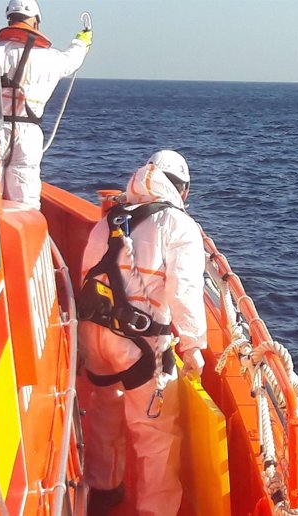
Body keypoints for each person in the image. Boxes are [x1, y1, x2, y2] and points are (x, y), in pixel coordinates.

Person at [77, 150, 207, 516]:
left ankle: (104, 490)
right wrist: (194, 344)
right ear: (182, 191)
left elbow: (87, 274)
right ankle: (154, 511)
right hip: (140, 345)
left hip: (96, 336)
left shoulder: (110, 220)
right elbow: (183, 290)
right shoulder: (179, 225)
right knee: (155, 437)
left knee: (104, 413)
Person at [0, 0, 91, 209]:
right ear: (36, 22)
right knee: (26, 201)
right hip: (29, 136)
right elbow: (72, 59)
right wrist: (82, 41)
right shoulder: (50, 59)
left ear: (10, 19)